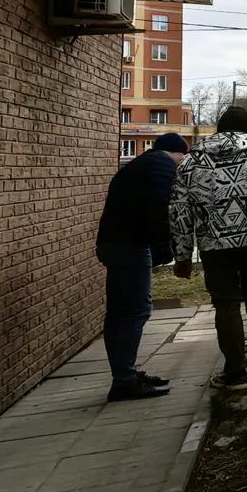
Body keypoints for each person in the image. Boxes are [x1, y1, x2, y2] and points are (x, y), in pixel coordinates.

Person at [172, 107, 247, 390]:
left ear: (220, 127)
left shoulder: (193, 158)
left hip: (214, 245)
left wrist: (182, 255)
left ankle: (236, 373)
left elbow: (179, 210)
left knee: (225, 305)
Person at [95, 134, 188, 401]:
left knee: (118, 313)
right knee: (135, 312)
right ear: (177, 153)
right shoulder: (161, 165)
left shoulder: (139, 165)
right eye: (183, 158)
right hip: (130, 244)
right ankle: (123, 381)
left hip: (113, 243)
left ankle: (125, 373)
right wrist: (162, 245)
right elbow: (159, 207)